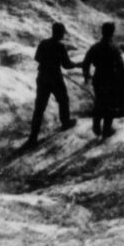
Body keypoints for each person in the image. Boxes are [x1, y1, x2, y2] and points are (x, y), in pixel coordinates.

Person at [22, 22, 79, 150]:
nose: (63, 35)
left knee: (39, 108)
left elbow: (37, 58)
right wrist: (77, 65)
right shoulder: (60, 46)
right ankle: (65, 122)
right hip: (55, 78)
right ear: (60, 33)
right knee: (63, 99)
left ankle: (33, 137)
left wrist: (47, 63)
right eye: (63, 32)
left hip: (42, 77)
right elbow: (66, 65)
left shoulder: (43, 43)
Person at [82, 22, 124, 140]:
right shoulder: (114, 48)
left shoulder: (95, 47)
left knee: (99, 102)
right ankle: (106, 130)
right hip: (111, 79)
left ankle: (96, 126)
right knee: (110, 104)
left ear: (102, 32)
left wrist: (87, 77)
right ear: (112, 33)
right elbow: (121, 66)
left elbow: (86, 63)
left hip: (98, 77)